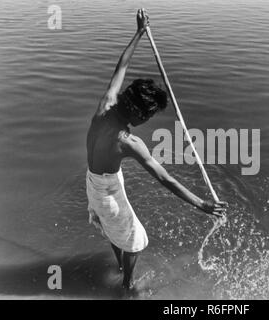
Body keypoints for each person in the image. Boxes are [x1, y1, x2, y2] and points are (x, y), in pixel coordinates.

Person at [85, 8, 227, 296]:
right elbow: (166, 180)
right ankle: (127, 286)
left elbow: (120, 68)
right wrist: (202, 204)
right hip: (107, 192)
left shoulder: (106, 105)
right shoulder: (128, 143)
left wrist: (138, 32)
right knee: (137, 241)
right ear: (138, 116)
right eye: (147, 117)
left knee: (116, 230)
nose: (146, 122)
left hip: (93, 182)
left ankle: (121, 267)